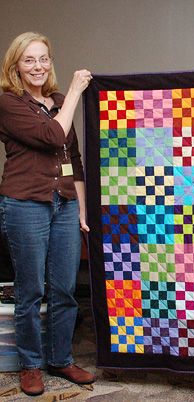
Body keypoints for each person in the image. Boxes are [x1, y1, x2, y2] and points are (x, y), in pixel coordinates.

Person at [0, 32, 95, 396]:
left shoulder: (57, 100)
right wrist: (73, 93)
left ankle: (60, 358)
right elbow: (54, 136)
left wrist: (81, 209)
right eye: (29, 60)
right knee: (30, 292)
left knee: (64, 289)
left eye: (44, 59)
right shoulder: (9, 105)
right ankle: (30, 365)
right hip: (25, 205)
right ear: (16, 67)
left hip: (65, 205)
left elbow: (73, 160)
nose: (38, 66)